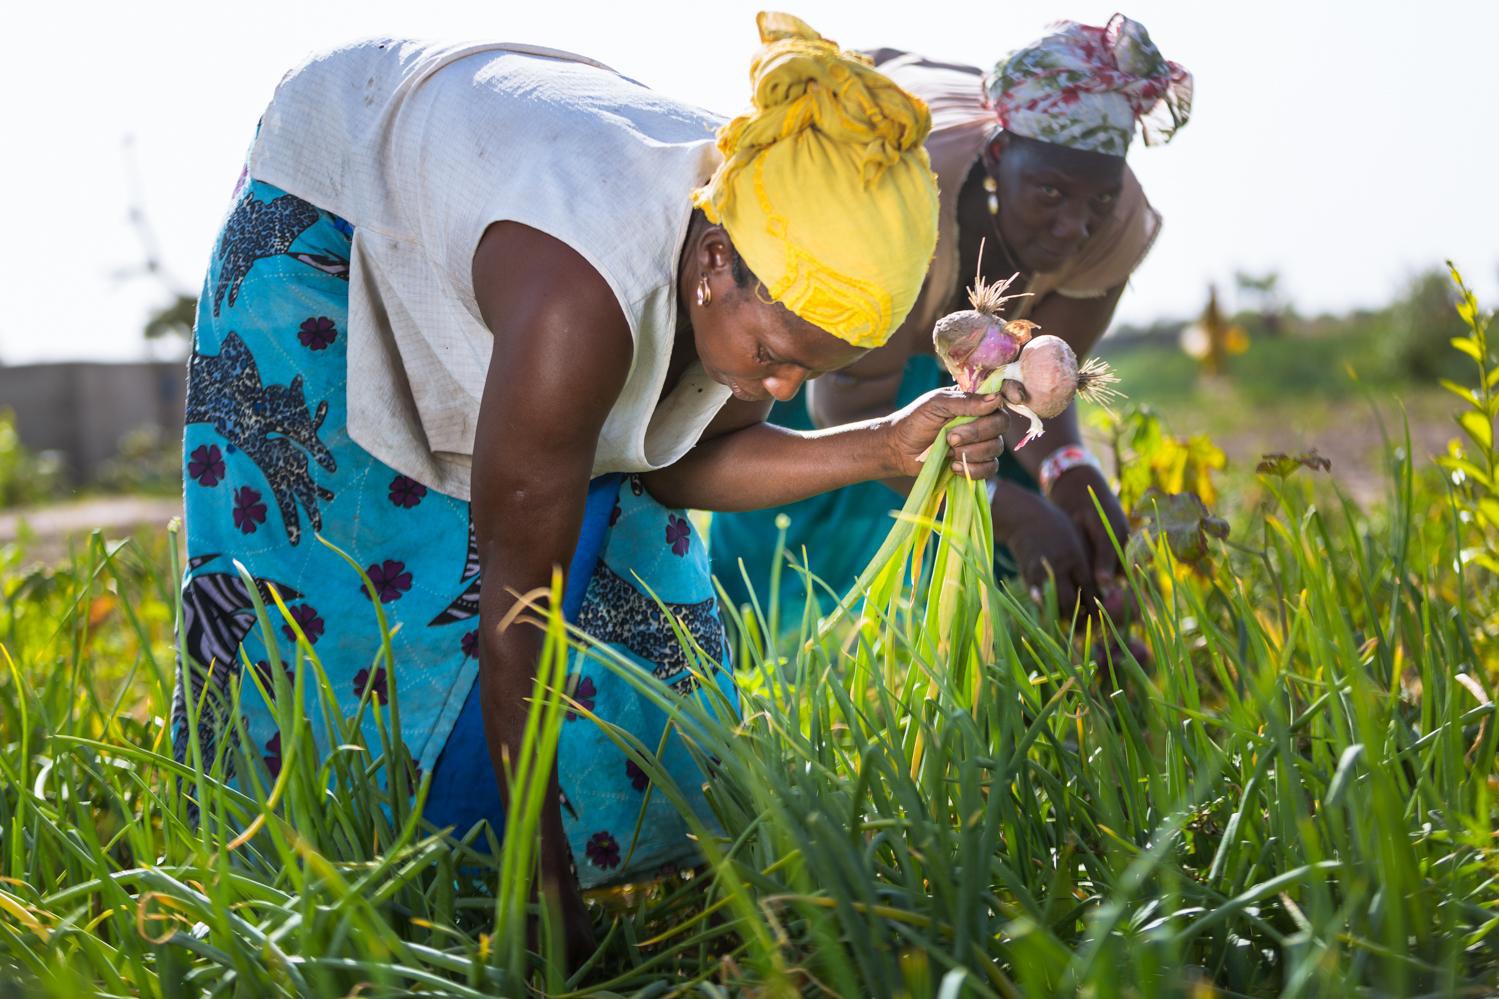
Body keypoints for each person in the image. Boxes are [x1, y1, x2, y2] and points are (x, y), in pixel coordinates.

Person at [170, 12, 1014, 959]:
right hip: (341, 187)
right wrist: (543, 897)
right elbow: (519, 599)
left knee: (641, 572)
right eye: (774, 357)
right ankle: (313, 876)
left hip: (520, 208)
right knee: (334, 566)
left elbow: (676, 463)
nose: (780, 389)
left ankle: (624, 868)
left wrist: (887, 445)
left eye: (807, 373)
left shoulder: (754, 264)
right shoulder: (583, 298)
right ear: (712, 262)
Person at [710, 14, 1191, 622]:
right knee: (784, 540)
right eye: (1049, 193)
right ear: (999, 155)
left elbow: (1037, 382)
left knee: (1006, 512)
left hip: (965, 384)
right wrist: (1001, 506)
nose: (1074, 226)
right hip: (836, 365)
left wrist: (1069, 470)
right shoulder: (904, 206)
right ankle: (764, 653)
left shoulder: (1115, 224)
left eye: (1096, 200)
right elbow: (853, 416)